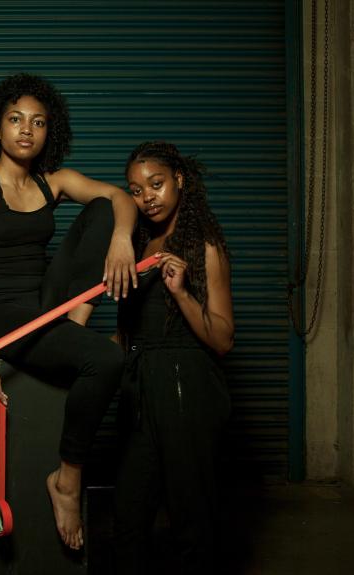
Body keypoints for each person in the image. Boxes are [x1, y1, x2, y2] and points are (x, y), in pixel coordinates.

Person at [0, 72, 137, 550]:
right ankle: (67, 479)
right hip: (0, 315)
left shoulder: (52, 182)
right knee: (109, 360)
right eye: (15, 120)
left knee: (102, 209)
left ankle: (73, 327)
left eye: (37, 122)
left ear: (47, 132)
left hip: (45, 306)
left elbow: (120, 198)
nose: (26, 130)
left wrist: (120, 241)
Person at [113, 141, 234, 574]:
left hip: (188, 384)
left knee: (191, 515)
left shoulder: (203, 246)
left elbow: (222, 339)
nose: (147, 197)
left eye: (156, 184)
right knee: (127, 512)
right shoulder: (141, 246)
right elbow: (133, 330)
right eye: (136, 190)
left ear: (179, 181)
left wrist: (181, 292)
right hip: (141, 386)